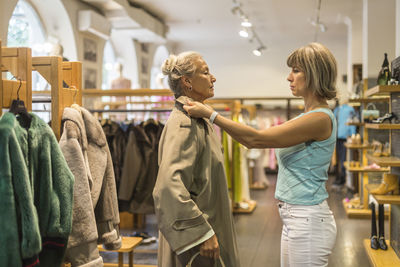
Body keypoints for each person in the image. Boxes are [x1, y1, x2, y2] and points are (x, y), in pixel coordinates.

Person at [184, 42, 338, 267]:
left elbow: (255, 139)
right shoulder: (307, 117)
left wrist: (211, 114)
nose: (289, 77)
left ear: (314, 74)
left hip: (308, 221)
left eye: (296, 70)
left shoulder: (320, 118)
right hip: (297, 218)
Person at [153, 51, 240, 267]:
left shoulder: (197, 119)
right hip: (198, 245)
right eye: (206, 72)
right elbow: (168, 187)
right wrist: (201, 234)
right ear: (187, 82)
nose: (213, 78)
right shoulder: (185, 124)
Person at [333, 94, 356, 187]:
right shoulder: (350, 110)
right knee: (342, 158)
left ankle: (340, 177)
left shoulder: (337, 110)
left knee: (338, 157)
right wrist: (353, 135)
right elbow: (352, 123)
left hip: (337, 136)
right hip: (344, 136)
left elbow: (333, 122)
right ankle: (341, 178)